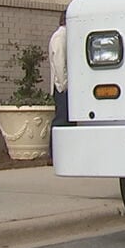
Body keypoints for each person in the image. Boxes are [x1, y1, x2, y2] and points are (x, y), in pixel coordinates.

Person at [48, 14, 68, 157]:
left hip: (63, 85)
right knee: (61, 119)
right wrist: (64, 84)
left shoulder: (63, 35)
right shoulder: (60, 37)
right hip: (62, 87)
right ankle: (54, 154)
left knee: (66, 120)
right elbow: (59, 62)